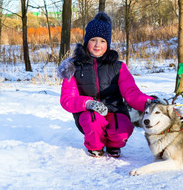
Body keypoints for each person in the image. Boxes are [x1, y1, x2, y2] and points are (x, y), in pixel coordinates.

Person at [58, 12, 155, 158]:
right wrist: (88, 103)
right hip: (89, 113)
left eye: (102, 41)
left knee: (122, 129)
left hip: (114, 110)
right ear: (86, 41)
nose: (98, 45)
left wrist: (150, 103)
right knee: (94, 122)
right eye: (93, 40)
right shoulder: (73, 67)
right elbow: (67, 99)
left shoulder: (118, 67)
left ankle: (113, 145)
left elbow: (131, 93)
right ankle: (95, 146)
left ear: (108, 44)